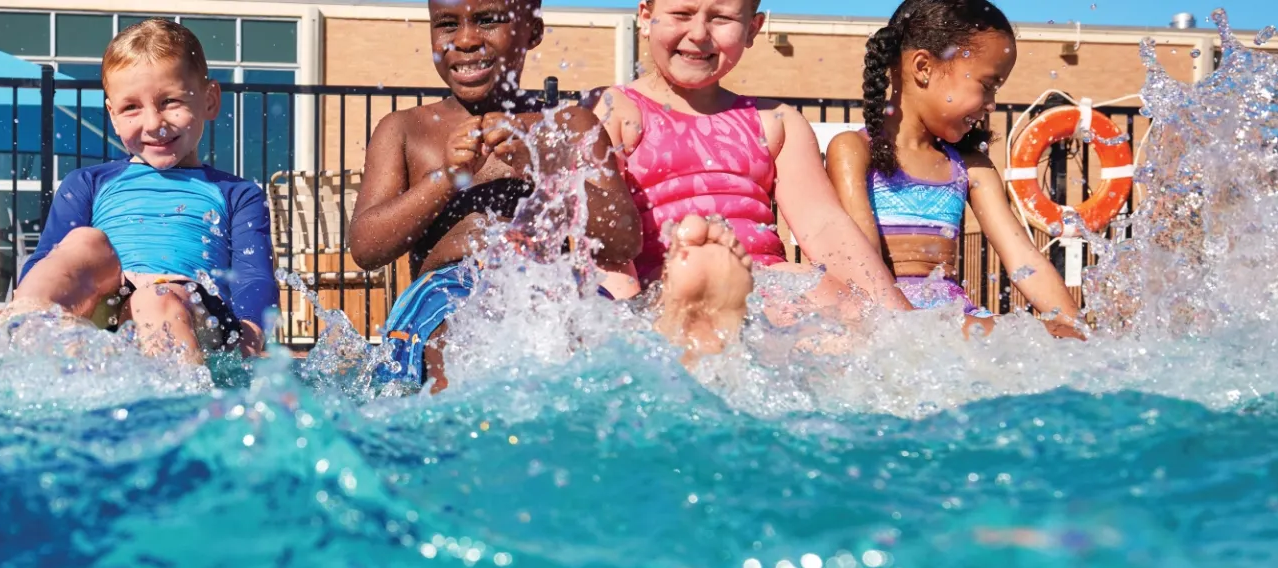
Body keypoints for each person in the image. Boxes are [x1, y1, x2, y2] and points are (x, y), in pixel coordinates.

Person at [352, 0, 751, 393]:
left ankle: (691, 352)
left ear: (534, 31)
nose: (467, 39)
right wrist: (444, 179)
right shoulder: (405, 129)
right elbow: (367, 247)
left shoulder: (569, 125)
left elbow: (622, 242)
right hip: (447, 290)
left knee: (598, 349)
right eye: (446, 23)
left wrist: (541, 166)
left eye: (488, 20)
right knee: (456, 343)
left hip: (554, 281)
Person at [589, 0, 917, 319]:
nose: (699, 33)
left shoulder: (775, 121)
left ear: (752, 29)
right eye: (681, 13)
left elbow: (824, 226)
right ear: (646, 17)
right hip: (667, 288)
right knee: (690, 281)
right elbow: (605, 241)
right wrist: (625, 324)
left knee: (827, 294)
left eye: (721, 18)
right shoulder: (617, 110)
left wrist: (895, 316)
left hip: (763, 286)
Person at [8, 19, 275, 366]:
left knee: (155, 298)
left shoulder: (237, 193)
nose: (153, 123)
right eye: (131, 107)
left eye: (170, 101)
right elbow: (48, 259)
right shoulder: (87, 183)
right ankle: (20, 332)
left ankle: (181, 405)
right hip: (106, 307)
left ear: (209, 100)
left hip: (186, 309)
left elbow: (253, 276)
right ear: (112, 115)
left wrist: (250, 339)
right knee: (84, 242)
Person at [826, 0, 1082, 337]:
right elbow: (864, 271)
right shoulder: (854, 152)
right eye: (987, 84)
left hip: (954, 321)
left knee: (1058, 337)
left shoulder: (970, 167)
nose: (992, 104)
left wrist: (1072, 325)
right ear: (924, 67)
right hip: (889, 320)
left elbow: (1024, 257)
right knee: (1022, 335)